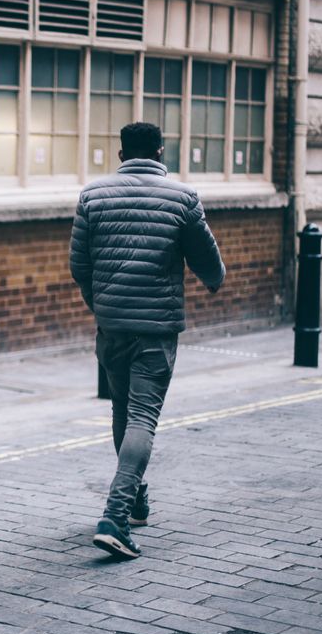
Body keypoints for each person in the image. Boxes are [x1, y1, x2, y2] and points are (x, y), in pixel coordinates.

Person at [70, 122, 225, 559]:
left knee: (122, 410)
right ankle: (115, 517)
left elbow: (79, 268)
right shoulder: (182, 198)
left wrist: (102, 307)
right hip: (156, 331)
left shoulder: (92, 197)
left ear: (121, 155)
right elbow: (209, 265)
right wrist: (213, 281)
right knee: (143, 417)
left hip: (112, 328)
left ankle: (135, 501)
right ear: (161, 152)